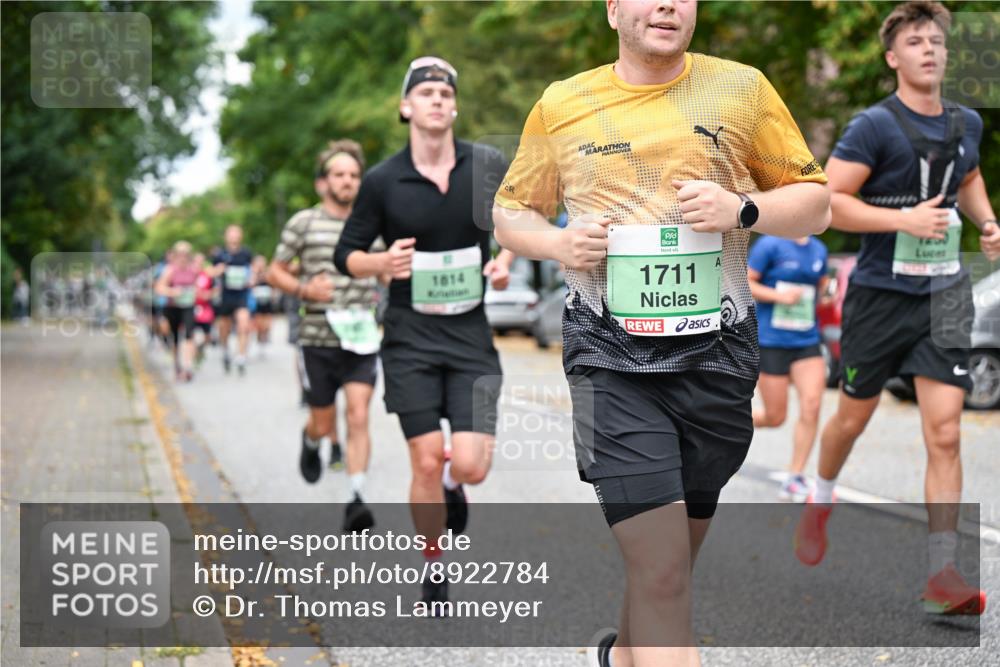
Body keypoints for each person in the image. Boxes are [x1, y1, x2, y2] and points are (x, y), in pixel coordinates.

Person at [492, 1, 831, 663]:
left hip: (718, 360)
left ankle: (619, 657)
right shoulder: (564, 102)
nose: (669, 3)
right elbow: (510, 212)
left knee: (667, 565)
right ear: (614, 9)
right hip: (609, 359)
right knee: (665, 570)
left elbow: (816, 204)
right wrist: (560, 241)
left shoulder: (741, 88)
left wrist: (743, 206)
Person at [794, 1, 997, 616]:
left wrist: (986, 222)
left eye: (936, 40)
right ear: (893, 57)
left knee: (944, 431)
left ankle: (942, 573)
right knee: (853, 419)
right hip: (881, 298)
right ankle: (820, 495)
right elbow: (828, 202)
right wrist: (901, 218)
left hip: (945, 295)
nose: (929, 49)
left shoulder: (965, 124)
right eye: (915, 41)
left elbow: (967, 179)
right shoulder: (873, 127)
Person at [334, 56, 515, 610]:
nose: (437, 99)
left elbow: (524, 218)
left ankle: (456, 488)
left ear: (454, 105)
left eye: (445, 92)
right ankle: (433, 563)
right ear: (406, 107)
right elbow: (347, 256)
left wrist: (505, 257)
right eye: (426, 92)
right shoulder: (382, 181)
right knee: (424, 459)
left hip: (470, 339)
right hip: (409, 338)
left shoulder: (486, 165)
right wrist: (381, 264)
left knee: (469, 464)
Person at [270, 140, 382, 532]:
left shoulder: (371, 224)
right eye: (339, 174)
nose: (347, 181)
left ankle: (355, 496)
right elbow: (275, 271)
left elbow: (384, 269)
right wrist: (303, 289)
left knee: (358, 413)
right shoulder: (303, 222)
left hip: (362, 339)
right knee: (322, 418)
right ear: (322, 183)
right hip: (317, 339)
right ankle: (312, 438)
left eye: (353, 175)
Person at [748, 234, 830, 501]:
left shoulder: (819, 248)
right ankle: (724, 422)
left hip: (806, 339)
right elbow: (746, 283)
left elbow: (822, 287)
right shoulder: (770, 244)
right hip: (772, 340)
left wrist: (827, 294)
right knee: (775, 417)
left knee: (812, 404)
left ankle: (795, 476)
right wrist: (779, 296)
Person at [211, 225, 255, 375]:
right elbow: (211, 273)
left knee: (244, 323)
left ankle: (241, 356)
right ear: (226, 236)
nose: (234, 236)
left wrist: (252, 280)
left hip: (241, 294)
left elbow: (252, 271)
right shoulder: (219, 254)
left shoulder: (246, 253)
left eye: (237, 233)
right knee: (224, 327)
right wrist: (219, 270)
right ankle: (225, 350)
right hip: (225, 295)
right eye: (231, 233)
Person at [155, 241, 199, 382]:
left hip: (188, 306)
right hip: (172, 307)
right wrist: (173, 291)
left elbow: (202, 284)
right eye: (180, 254)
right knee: (174, 339)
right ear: (175, 255)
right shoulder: (170, 270)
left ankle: (187, 367)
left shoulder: (194, 269)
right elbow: (159, 287)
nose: (183, 257)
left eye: (186, 254)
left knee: (189, 335)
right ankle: (177, 365)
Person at [192, 253, 216, 367]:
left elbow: (216, 289)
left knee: (207, 336)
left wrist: (208, 294)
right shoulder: (189, 275)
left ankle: (201, 348)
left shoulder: (207, 275)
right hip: (192, 308)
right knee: (191, 334)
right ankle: (193, 357)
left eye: (200, 261)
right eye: (196, 261)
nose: (198, 264)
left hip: (205, 309)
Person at [250, 254, 274, 357]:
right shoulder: (253, 274)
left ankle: (264, 340)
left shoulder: (268, 274)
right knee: (259, 325)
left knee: (267, 325)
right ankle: (260, 343)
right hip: (257, 303)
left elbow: (274, 285)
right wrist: (256, 274)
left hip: (267, 302)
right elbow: (250, 284)